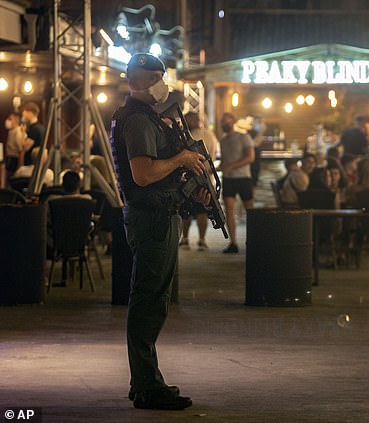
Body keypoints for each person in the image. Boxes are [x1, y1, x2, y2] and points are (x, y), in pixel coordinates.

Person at [110, 53, 211, 410]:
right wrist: (182, 159)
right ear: (134, 81)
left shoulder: (149, 117)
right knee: (148, 303)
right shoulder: (137, 121)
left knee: (154, 301)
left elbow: (158, 173)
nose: (160, 83)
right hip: (151, 219)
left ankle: (145, 382)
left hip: (160, 215)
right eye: (153, 76)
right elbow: (143, 174)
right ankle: (147, 386)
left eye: (161, 76)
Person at [179, 111, 219, 251]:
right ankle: (201, 240)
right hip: (206, 177)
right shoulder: (209, 135)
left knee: (187, 211)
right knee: (201, 212)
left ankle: (186, 239)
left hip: (192, 177)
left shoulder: (190, 136)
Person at [218, 112, 255, 254]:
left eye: (226, 121)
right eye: (223, 122)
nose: (224, 124)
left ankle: (254, 239)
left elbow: (250, 157)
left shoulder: (244, 137)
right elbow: (224, 161)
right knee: (228, 211)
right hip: (229, 179)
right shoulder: (223, 140)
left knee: (250, 211)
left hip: (243, 177)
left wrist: (231, 166)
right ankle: (233, 242)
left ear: (233, 121)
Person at [21, 102, 46, 166]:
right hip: (37, 163)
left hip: (32, 164)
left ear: (30, 113)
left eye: (24, 111)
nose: (23, 113)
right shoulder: (40, 127)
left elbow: (25, 147)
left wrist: (23, 132)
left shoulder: (35, 129)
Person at [4, 112, 27, 178]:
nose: (8, 121)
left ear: (16, 120)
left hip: (14, 159)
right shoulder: (11, 130)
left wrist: (20, 165)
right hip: (10, 157)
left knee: (13, 177)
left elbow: (21, 148)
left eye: (10, 119)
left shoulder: (18, 131)